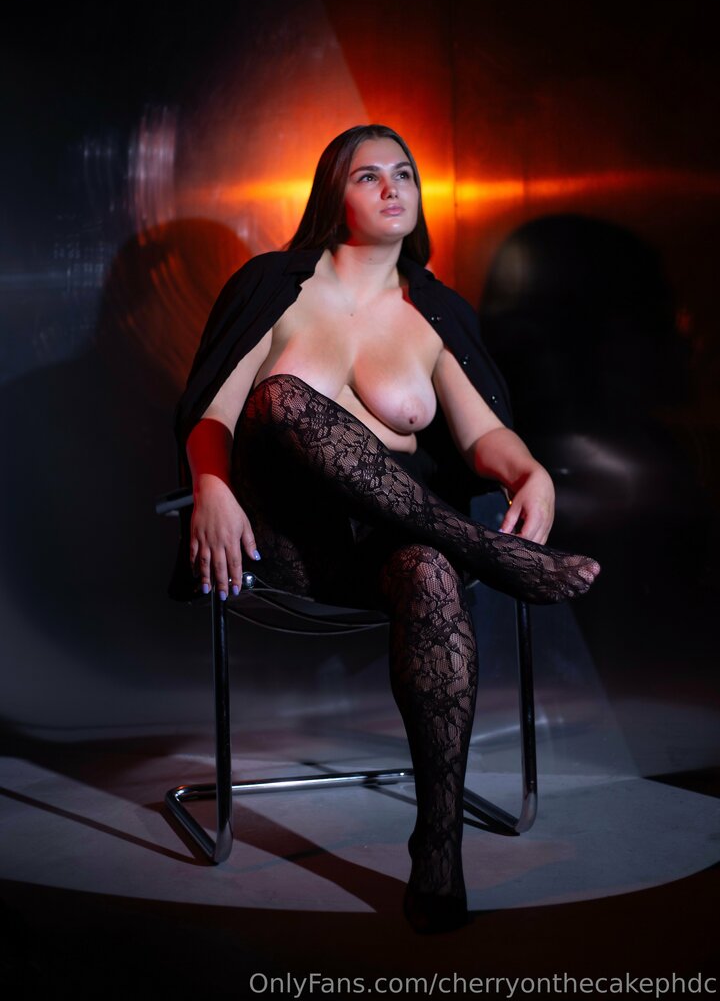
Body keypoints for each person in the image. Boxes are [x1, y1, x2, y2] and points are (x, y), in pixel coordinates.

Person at [174, 125, 600, 933]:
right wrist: (210, 486)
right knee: (283, 398)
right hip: (286, 542)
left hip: (386, 541)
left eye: (403, 173)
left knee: (432, 572)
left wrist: (530, 471)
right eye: (367, 175)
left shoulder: (433, 311)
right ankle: (485, 549)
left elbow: (483, 435)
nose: (391, 187)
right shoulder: (274, 285)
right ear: (332, 195)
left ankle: (437, 846)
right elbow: (218, 412)